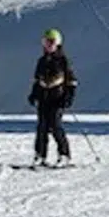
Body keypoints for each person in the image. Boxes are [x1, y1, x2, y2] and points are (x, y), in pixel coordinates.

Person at [28, 29, 75, 167]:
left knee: (55, 125)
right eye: (45, 42)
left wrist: (68, 96)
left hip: (57, 98)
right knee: (41, 127)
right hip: (44, 98)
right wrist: (33, 94)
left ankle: (64, 154)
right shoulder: (41, 61)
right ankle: (40, 155)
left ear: (57, 44)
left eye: (51, 42)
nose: (48, 45)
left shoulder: (63, 60)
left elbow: (71, 81)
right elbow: (38, 80)